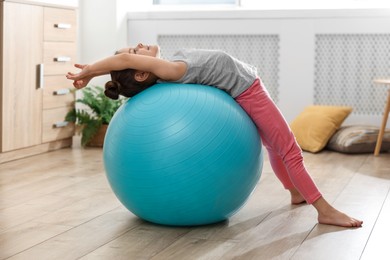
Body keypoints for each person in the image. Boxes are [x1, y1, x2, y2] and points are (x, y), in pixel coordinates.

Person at [66, 43, 363, 228]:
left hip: (248, 89)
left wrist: (107, 65)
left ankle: (296, 192)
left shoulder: (166, 67)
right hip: (250, 93)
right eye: (135, 52)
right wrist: (90, 71)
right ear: (142, 72)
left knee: (274, 147)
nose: (140, 46)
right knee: (289, 149)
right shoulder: (168, 70)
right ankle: (324, 210)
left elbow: (123, 63)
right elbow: (118, 64)